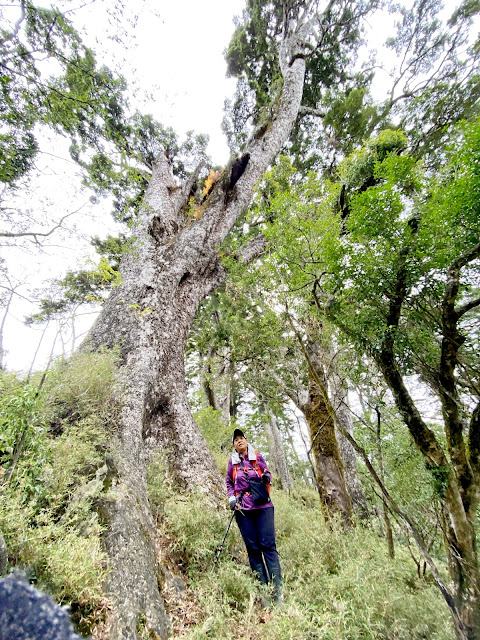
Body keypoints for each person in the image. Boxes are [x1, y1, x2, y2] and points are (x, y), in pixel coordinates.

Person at [225, 428, 282, 603]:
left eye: (242, 438)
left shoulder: (257, 457)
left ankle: (278, 593)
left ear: (247, 441)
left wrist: (265, 477)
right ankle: (264, 593)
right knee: (253, 550)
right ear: (234, 446)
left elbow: (268, 473)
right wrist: (231, 499)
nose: (239, 441)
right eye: (236, 440)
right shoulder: (232, 463)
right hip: (243, 510)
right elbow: (228, 482)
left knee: (268, 547)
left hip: (263, 506)